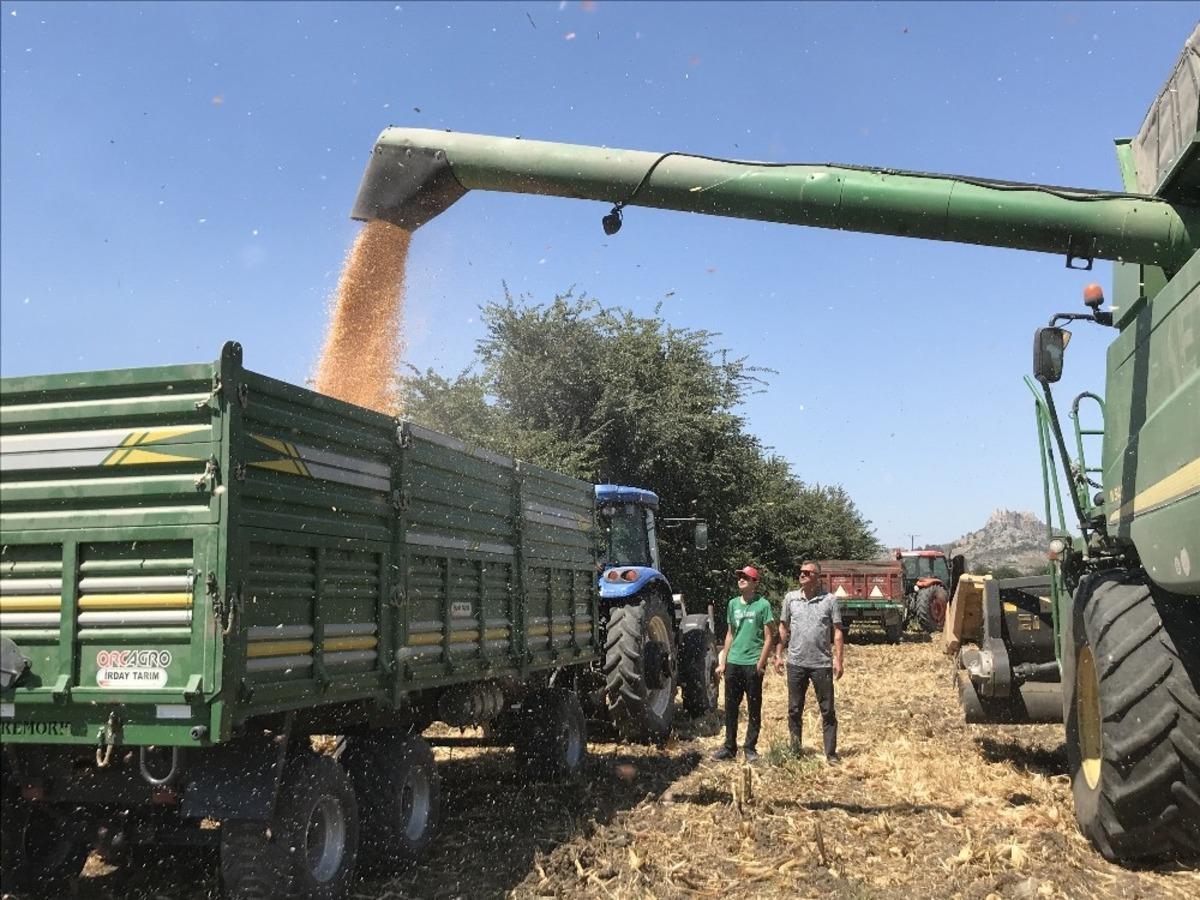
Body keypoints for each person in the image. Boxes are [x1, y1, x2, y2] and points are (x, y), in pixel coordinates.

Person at [775, 560, 844, 763]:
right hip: (796, 663)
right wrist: (779, 655)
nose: (802, 575)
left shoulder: (830, 600)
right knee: (794, 709)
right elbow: (783, 628)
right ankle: (795, 750)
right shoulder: (791, 598)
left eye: (808, 572)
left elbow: (838, 632)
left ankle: (830, 754)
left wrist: (839, 660)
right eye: (801, 572)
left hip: (821, 664)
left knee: (827, 710)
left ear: (817, 577)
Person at [713, 566, 775, 763]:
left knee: (753, 707)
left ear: (755, 583)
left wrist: (760, 663)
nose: (741, 579)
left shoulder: (763, 605)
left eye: (746, 577)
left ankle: (750, 747)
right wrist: (723, 661)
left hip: (752, 663)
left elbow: (768, 637)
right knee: (731, 707)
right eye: (739, 576)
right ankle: (729, 747)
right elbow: (730, 634)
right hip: (734, 663)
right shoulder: (733, 604)